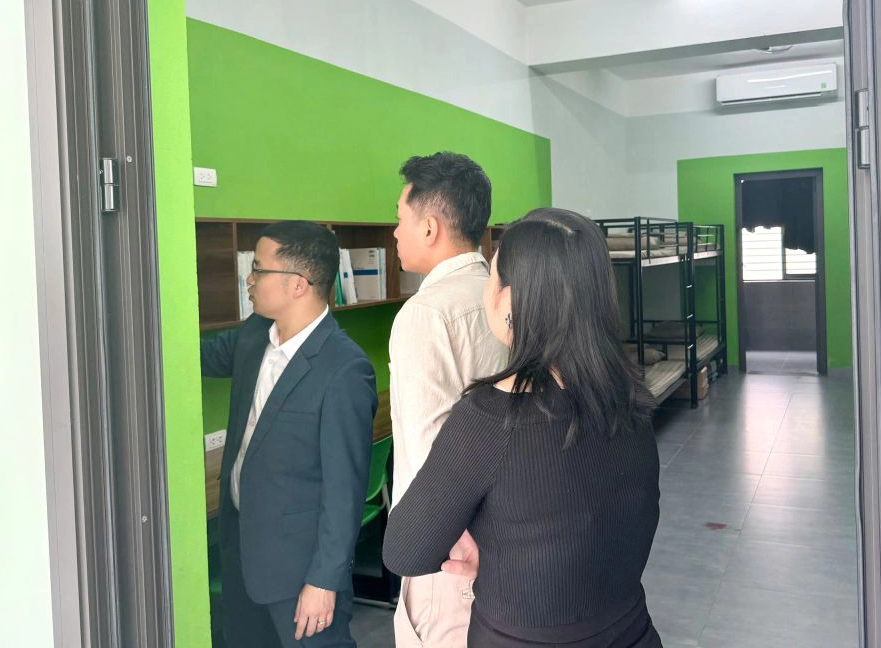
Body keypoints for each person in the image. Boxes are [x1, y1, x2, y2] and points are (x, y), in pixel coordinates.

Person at [383, 208, 663, 648]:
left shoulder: (489, 418)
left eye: (492, 276)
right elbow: (594, 529)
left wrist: (483, 544)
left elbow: (405, 550)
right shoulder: (632, 400)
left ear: (512, 300)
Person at [201, 221, 377, 648]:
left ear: (298, 284)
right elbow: (196, 355)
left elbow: (344, 492)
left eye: (259, 269)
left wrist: (324, 581)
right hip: (243, 553)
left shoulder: (344, 369)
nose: (249, 280)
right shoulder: (253, 335)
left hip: (300, 572)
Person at [389, 153, 509, 646]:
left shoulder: (426, 313)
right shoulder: (502, 296)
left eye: (400, 218)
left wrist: (433, 543)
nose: (395, 232)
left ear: (430, 228)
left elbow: (430, 452)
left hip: (449, 551)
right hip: (500, 533)